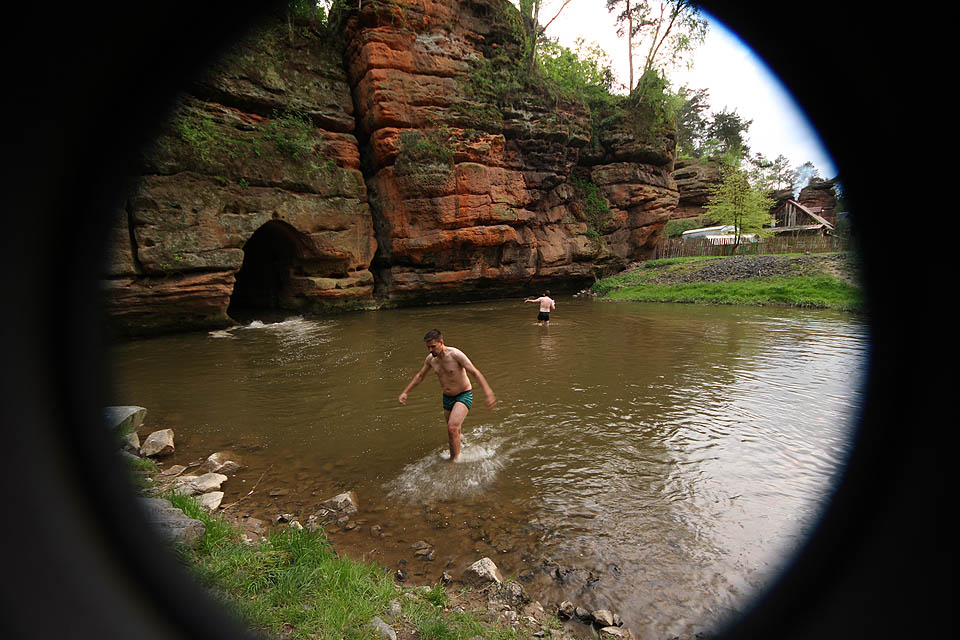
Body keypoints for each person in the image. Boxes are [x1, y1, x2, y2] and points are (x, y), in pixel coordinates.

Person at [398, 329, 496, 462]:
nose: (430, 350)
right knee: (454, 431)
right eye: (428, 347)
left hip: (464, 394)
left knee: (452, 428)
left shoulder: (456, 355)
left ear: (441, 342)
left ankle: (454, 461)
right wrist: (406, 392)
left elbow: (475, 372)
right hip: (447, 398)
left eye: (433, 346)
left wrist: (488, 392)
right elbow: (420, 376)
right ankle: (460, 449)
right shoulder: (431, 360)